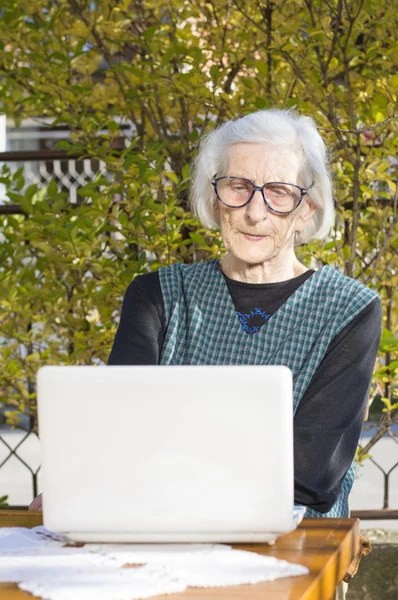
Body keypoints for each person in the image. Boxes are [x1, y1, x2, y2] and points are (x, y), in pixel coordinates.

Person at [107, 109, 381, 520]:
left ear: (307, 207)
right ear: (216, 201)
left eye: (279, 192)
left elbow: (307, 478)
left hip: (294, 547)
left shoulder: (349, 310)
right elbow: (117, 442)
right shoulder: (157, 296)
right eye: (238, 187)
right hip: (159, 533)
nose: (256, 212)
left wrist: (167, 460)